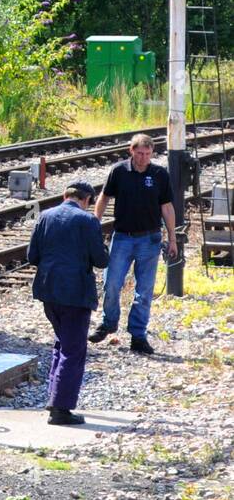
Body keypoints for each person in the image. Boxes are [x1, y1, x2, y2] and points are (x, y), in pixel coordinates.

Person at [27, 180, 110, 425]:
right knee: (73, 350)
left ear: (65, 195)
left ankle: (54, 397)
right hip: (75, 293)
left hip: (48, 290)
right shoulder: (88, 221)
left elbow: (33, 255)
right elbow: (101, 260)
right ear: (87, 200)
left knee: (61, 344)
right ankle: (61, 409)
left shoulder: (45, 216)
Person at [90, 133, 178, 354]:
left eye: (147, 154)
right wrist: (93, 225)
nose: (143, 158)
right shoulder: (119, 171)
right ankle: (109, 323)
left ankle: (138, 334)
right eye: (139, 153)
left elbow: (167, 207)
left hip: (150, 239)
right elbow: (104, 198)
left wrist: (172, 238)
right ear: (131, 150)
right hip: (122, 237)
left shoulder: (159, 174)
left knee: (145, 290)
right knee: (111, 284)